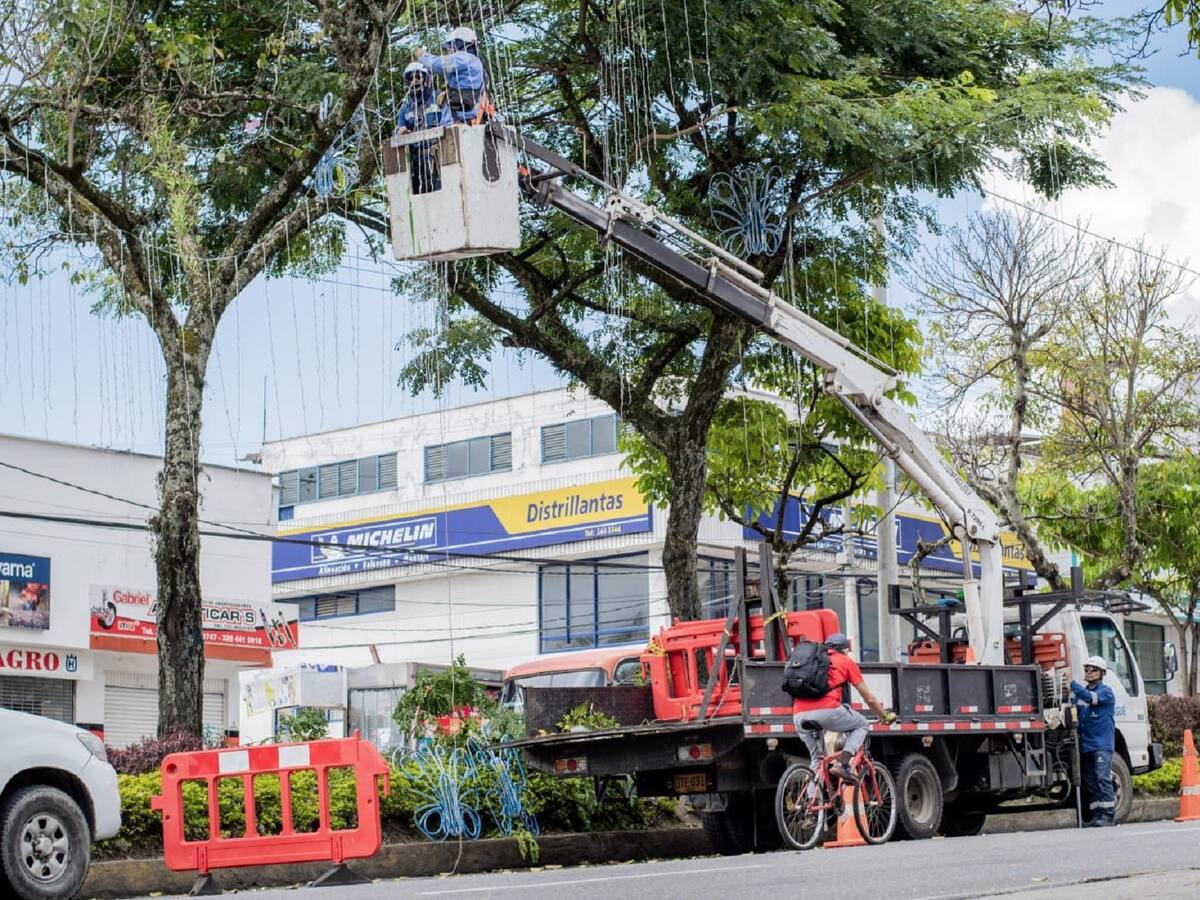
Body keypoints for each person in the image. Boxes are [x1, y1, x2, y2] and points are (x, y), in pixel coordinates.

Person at [792, 633, 893, 780]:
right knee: (862, 724)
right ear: (844, 650)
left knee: (816, 760)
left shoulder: (813, 661)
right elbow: (869, 698)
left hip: (798, 715)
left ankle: (809, 801)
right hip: (827, 711)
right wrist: (884, 715)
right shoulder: (845, 661)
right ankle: (843, 764)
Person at [1071, 655, 1117, 826]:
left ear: (1102, 673)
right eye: (1086, 669)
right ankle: (1096, 815)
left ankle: (1108, 816)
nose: (1089, 672)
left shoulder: (1105, 692)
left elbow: (1091, 698)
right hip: (1086, 744)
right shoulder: (1081, 694)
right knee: (1090, 782)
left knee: (1102, 778)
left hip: (1101, 745)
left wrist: (1072, 683)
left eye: (1093, 670)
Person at [415, 26, 490, 124]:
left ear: (459, 43)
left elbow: (438, 65)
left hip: (460, 125)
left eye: (450, 46)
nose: (448, 50)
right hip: (465, 123)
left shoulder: (464, 58)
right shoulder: (475, 62)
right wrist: (447, 94)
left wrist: (423, 56)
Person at [396, 61, 451, 193]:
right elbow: (398, 128)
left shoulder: (440, 99)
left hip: (439, 159)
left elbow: (449, 124)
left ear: (427, 79)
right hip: (417, 162)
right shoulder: (405, 108)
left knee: (441, 195)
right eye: (411, 78)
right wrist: (400, 132)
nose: (414, 81)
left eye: (418, 77)